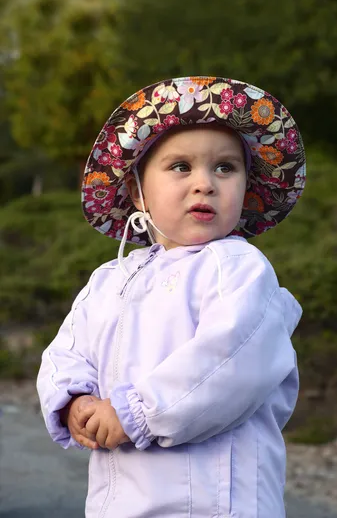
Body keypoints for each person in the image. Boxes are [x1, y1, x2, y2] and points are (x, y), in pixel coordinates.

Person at [37, 76, 306, 518]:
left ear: (247, 187)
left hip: (217, 503)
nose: (205, 183)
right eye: (181, 167)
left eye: (225, 168)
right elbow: (66, 351)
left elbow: (230, 361)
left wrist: (135, 413)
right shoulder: (111, 279)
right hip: (119, 503)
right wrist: (74, 400)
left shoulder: (240, 268)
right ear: (138, 192)